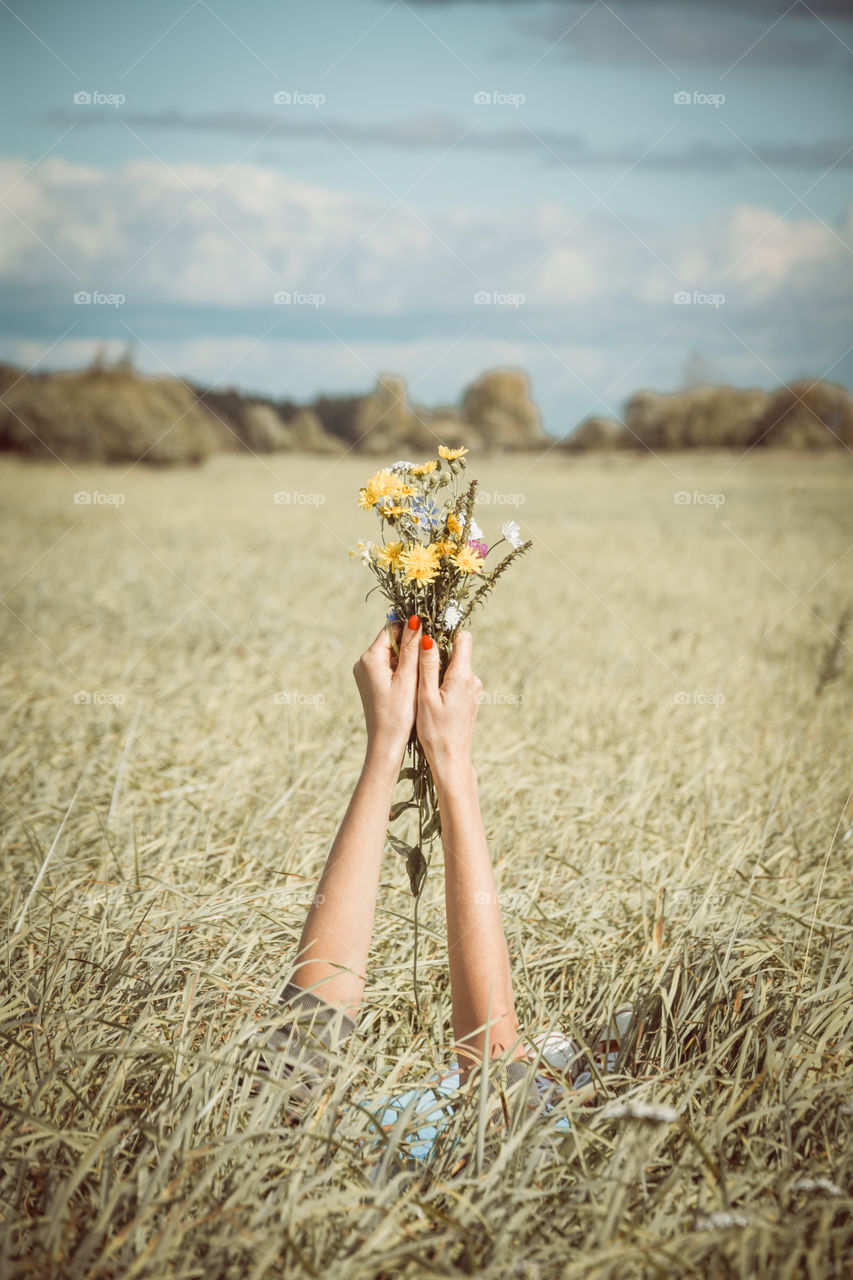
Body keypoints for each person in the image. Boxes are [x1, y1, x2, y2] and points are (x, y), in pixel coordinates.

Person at [258, 615, 634, 1170]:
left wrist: (392, 750)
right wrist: (450, 765)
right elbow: (495, 1072)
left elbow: (292, 1072)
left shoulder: (521, 1153)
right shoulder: (532, 1150)